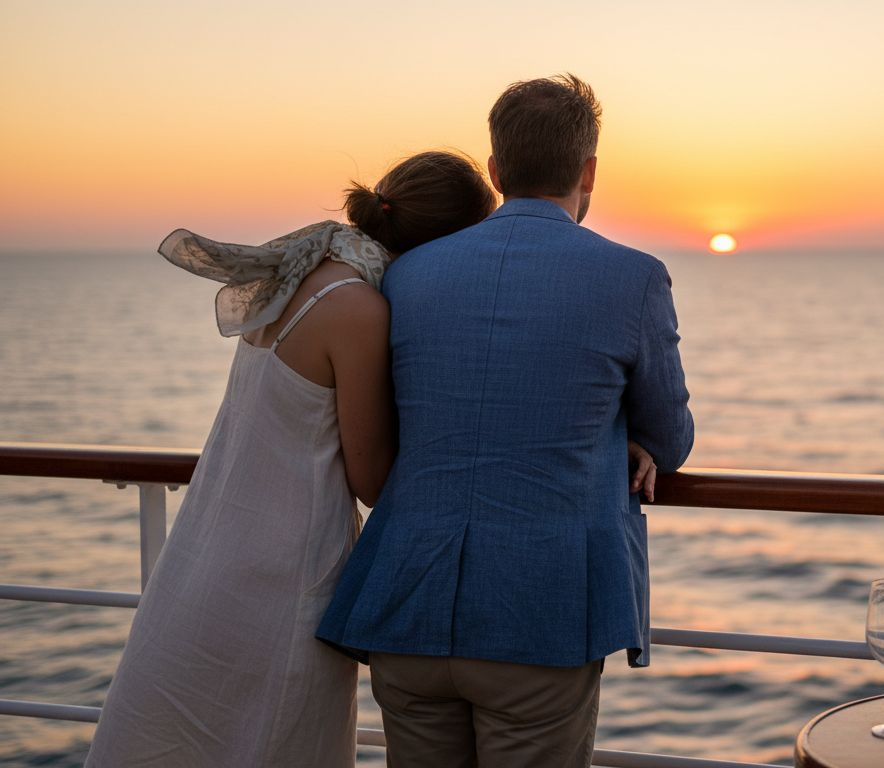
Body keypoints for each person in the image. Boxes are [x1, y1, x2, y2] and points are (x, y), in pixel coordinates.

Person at [317, 74, 694, 768]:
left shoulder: (408, 275)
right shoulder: (634, 277)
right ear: (589, 171)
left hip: (406, 608)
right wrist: (630, 443)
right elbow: (670, 439)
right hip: (539, 618)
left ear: (494, 172)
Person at [84, 151, 498, 768]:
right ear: (446, 244)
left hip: (213, 551)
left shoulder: (304, 273)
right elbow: (372, 479)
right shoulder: (359, 309)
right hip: (286, 574)